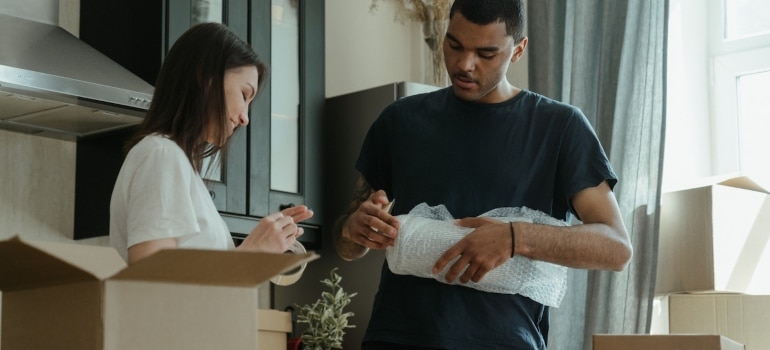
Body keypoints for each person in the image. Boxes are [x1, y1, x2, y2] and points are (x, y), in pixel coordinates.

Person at [333, 0, 633, 349]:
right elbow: (346, 247)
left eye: (486, 53)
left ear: (518, 50)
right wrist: (354, 229)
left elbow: (616, 248)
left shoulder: (561, 128)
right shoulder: (399, 121)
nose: (464, 64)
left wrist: (515, 238)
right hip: (395, 339)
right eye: (454, 45)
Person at [110, 22, 313, 264]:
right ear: (206, 78)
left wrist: (263, 246)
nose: (245, 118)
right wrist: (252, 253)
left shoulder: (180, 166)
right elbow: (151, 280)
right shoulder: (161, 154)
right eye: (244, 95)